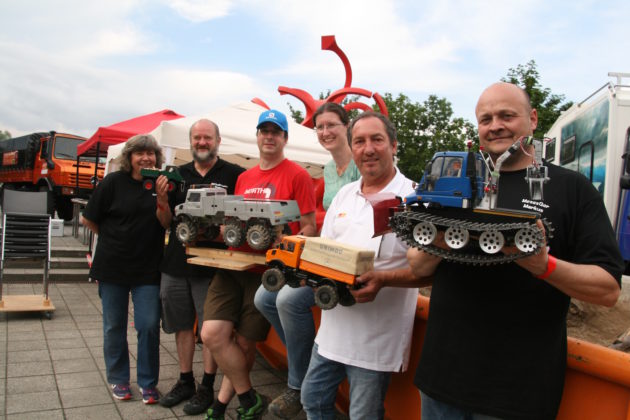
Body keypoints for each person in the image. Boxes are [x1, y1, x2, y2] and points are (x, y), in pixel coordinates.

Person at [410, 82, 624, 419]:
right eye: (486, 119)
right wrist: (436, 237)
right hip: (442, 381)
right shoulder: (457, 181)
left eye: (506, 115)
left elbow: (608, 289)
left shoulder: (573, 189)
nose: (495, 125)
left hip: (517, 395)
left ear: (533, 118)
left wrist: (544, 266)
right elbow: (419, 267)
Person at [300, 111, 430, 419]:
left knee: (364, 416)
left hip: (376, 340)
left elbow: (429, 273)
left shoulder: (415, 199)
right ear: (352, 147)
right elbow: (325, 250)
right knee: (313, 400)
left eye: (377, 140)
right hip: (333, 331)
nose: (368, 148)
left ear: (394, 145)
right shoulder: (345, 195)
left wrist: (383, 279)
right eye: (359, 141)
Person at [200, 109, 317, 419]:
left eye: (275, 132)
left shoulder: (297, 175)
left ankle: (222, 404)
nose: (269, 136)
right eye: (263, 131)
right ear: (257, 136)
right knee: (211, 334)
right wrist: (227, 229)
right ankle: (248, 396)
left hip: (266, 272)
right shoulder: (244, 177)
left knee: (244, 341)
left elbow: (309, 227)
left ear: (284, 138)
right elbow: (234, 218)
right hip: (232, 264)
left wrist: (285, 245)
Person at [253, 102, 360, 419]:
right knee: (264, 297)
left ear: (346, 127)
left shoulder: (359, 163)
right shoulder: (329, 169)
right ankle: (317, 361)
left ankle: (298, 384)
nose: (325, 132)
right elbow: (323, 224)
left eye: (332, 125)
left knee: (287, 300)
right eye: (320, 127)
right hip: (326, 253)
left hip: (345, 263)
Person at [158, 119, 245, 414]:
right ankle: (185, 380)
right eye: (197, 137)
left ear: (218, 140)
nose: (202, 142)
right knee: (181, 323)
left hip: (213, 264)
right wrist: (160, 199)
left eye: (207, 137)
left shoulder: (235, 174)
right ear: (191, 141)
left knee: (209, 327)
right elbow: (167, 222)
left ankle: (207, 386)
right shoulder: (176, 175)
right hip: (175, 261)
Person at [81, 134, 168, 405]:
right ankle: (118, 378)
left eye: (151, 153)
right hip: (112, 266)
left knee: (149, 325)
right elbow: (88, 219)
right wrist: (113, 238)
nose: (146, 157)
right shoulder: (112, 182)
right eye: (140, 152)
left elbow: (166, 224)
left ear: (157, 157)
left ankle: (147, 382)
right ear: (129, 157)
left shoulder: (160, 184)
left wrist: (163, 200)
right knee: (114, 326)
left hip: (148, 268)